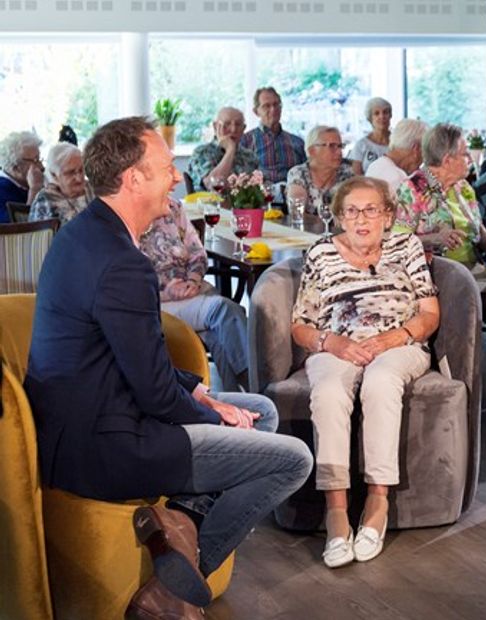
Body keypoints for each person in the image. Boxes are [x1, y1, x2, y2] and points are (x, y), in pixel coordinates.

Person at [24, 116, 311, 618]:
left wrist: (202, 393)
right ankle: (179, 578)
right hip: (105, 445)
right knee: (293, 459)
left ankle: (175, 526)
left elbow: (133, 356)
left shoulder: (84, 233)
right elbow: (155, 396)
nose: (176, 177)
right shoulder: (121, 261)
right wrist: (214, 413)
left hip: (88, 418)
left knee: (260, 411)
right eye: (164, 168)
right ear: (133, 178)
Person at [291, 176, 440, 568]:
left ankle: (377, 503)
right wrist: (332, 343)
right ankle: (336, 512)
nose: (362, 219)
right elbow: (300, 323)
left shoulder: (407, 245)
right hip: (337, 343)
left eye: (371, 209)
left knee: (380, 381)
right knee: (326, 392)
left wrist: (394, 338)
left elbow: (429, 314)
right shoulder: (321, 252)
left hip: (399, 343)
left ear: (388, 216)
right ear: (339, 217)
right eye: (352, 211)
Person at [393, 123, 486, 417]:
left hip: (469, 267)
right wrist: (434, 238)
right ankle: (457, 384)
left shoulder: (463, 187)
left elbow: (476, 226)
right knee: (463, 309)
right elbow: (397, 241)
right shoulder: (411, 189)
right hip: (432, 271)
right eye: (465, 154)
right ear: (447, 159)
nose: (470, 159)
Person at [139, 197, 251, 392]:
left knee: (220, 335)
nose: (176, 178)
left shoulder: (173, 207)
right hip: (158, 302)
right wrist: (169, 290)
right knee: (224, 311)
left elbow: (198, 253)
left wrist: (192, 280)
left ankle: (238, 404)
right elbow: (128, 277)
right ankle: (254, 382)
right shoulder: (127, 217)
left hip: (194, 291)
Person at [239, 87, 307, 184]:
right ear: (256, 112)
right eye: (266, 106)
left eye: (276, 105)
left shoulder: (297, 142)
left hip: (292, 194)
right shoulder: (246, 141)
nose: (273, 109)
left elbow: (307, 174)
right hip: (259, 195)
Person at [286, 125, 357, 215]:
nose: (339, 152)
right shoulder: (299, 173)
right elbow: (296, 211)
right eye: (332, 146)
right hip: (307, 228)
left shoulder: (347, 172)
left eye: (340, 146)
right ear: (312, 151)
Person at [187, 107, 260, 191]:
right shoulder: (201, 152)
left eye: (238, 124)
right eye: (227, 124)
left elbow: (257, 190)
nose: (233, 129)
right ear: (215, 126)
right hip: (209, 203)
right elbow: (213, 186)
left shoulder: (250, 156)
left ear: (243, 128)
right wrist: (230, 150)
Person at [29, 142, 94, 225]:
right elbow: (41, 236)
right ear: (54, 175)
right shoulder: (46, 199)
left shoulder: (92, 190)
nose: (79, 178)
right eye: (70, 172)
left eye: (81, 170)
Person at [364, 118, 428, 196]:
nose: (424, 160)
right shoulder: (398, 179)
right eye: (424, 152)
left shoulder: (375, 165)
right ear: (416, 149)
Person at [0, 130, 45, 223]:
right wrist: (35, 190)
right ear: (15, 167)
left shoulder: (26, 184)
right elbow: (20, 230)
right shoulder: (2, 190)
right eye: (35, 160)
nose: (41, 166)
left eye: (40, 159)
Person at [349, 96, 392, 174]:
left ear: (390, 116)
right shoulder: (361, 145)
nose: (382, 116)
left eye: (385, 112)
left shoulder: (398, 142)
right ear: (370, 119)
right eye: (376, 113)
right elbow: (356, 176)